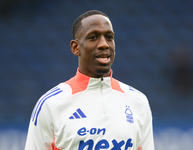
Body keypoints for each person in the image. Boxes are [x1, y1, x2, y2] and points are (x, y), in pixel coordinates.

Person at [25, 10, 155, 150]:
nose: (104, 44)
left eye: (109, 37)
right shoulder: (51, 104)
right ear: (76, 47)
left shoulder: (138, 101)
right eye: (93, 37)